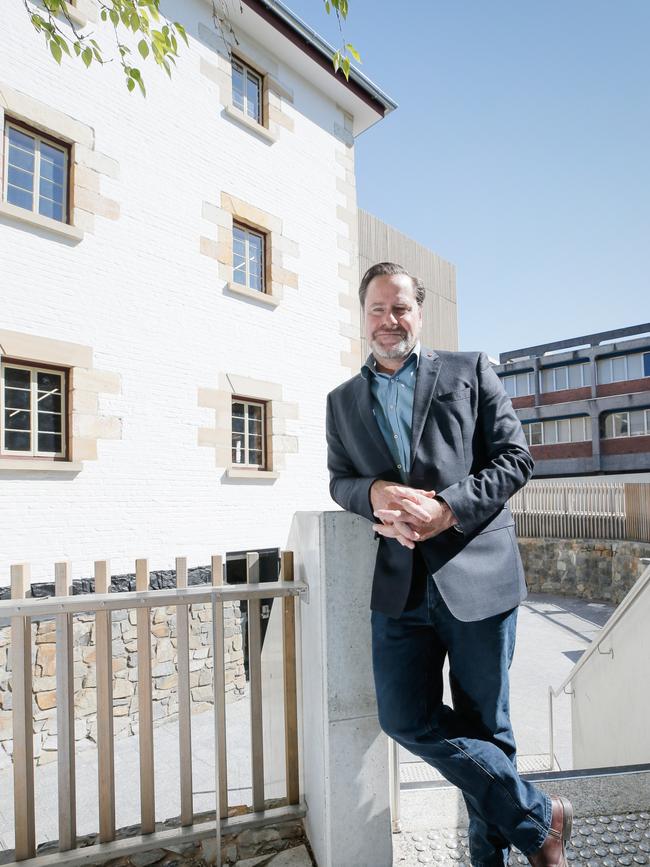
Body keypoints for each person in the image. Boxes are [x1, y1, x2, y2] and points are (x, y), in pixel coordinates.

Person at [325, 262, 572, 867]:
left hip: (478, 579)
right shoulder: (342, 401)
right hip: (399, 589)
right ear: (363, 317)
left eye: (400, 308)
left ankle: (493, 860)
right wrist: (374, 493)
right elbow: (340, 481)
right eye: (378, 310)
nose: (389, 321)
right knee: (403, 718)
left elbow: (517, 458)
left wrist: (449, 510)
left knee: (487, 731)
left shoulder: (469, 370)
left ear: (418, 311)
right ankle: (541, 818)